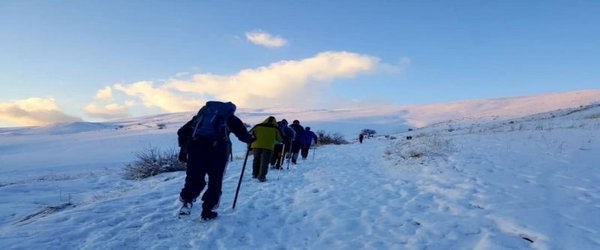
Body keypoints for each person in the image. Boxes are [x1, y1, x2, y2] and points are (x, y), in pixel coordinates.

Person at [177, 101, 255, 220]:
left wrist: (183, 150)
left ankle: (187, 202)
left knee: (194, 177)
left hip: (196, 149)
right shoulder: (230, 118)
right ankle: (207, 211)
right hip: (218, 151)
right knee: (215, 180)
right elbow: (244, 136)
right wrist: (252, 139)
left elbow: (182, 132)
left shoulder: (200, 117)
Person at [249, 116, 283, 182]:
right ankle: (261, 177)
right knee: (264, 162)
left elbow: (250, 133)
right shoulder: (275, 128)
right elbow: (280, 139)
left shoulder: (257, 126)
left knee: (256, 160)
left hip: (256, 146)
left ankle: (255, 174)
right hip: (268, 147)